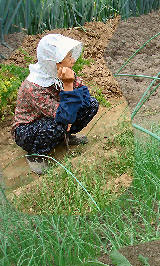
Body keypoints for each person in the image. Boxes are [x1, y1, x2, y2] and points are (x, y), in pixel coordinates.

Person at [11, 34, 99, 175]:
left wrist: (71, 85)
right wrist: (68, 85)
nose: (73, 60)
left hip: (55, 115)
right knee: (60, 123)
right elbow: (63, 116)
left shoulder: (62, 73)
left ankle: (64, 138)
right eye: (68, 57)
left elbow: (85, 97)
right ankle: (36, 155)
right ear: (54, 62)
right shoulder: (33, 86)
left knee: (91, 105)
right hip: (28, 128)